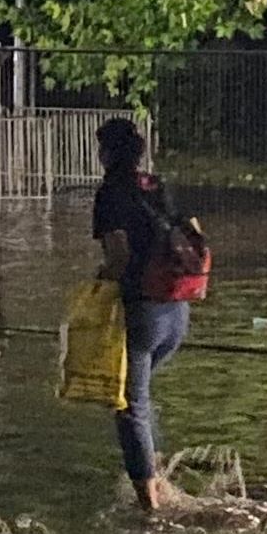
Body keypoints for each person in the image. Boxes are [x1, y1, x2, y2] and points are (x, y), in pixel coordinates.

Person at [92, 118, 189, 512]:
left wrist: (96, 282)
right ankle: (158, 473)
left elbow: (118, 256)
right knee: (143, 398)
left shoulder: (110, 193)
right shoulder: (156, 185)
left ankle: (149, 505)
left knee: (129, 406)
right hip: (177, 310)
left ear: (109, 153)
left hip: (142, 310)